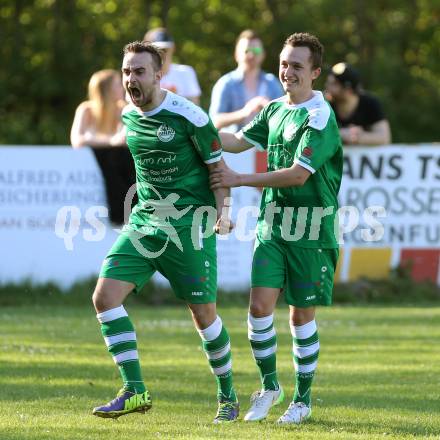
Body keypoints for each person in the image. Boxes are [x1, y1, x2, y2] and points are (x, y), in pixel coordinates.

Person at [91, 41, 239, 423]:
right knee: (105, 297)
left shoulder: (189, 115)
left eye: (139, 71)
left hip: (189, 225)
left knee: (204, 315)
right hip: (145, 222)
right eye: (126, 72)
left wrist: (223, 212)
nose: (130, 79)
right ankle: (135, 391)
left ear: (160, 75)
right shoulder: (127, 116)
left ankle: (228, 396)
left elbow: (217, 168)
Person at [210, 32, 343, 424]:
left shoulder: (320, 117)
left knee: (300, 316)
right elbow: (234, 142)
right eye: (284, 64)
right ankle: (270, 387)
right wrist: (195, 129)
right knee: (258, 307)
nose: (287, 72)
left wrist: (238, 181)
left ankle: (302, 400)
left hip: (311, 229)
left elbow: (299, 176)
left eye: (297, 65)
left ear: (315, 72)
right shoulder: (273, 109)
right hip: (273, 227)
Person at [70, 69, 136, 225]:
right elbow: (77, 141)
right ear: (106, 89)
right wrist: (110, 142)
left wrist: (93, 140)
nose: (123, 87)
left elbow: (124, 139)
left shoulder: (124, 110)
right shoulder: (86, 110)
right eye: (117, 85)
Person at [209, 29, 284, 132]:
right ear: (236, 54)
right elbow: (213, 122)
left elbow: (283, 119)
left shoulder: (272, 83)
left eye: (256, 51)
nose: (251, 55)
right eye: (246, 51)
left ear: (263, 54)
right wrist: (244, 113)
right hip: (232, 146)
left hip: (265, 146)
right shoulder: (225, 83)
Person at [325, 62, 391, 145]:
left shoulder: (370, 103)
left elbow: (384, 138)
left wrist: (358, 137)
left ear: (348, 90)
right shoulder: (324, 105)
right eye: (328, 82)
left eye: (333, 84)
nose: (327, 86)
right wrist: (340, 134)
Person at [143, 27, 201, 104]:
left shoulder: (186, 72)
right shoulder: (140, 75)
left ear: (173, 48)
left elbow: (194, 107)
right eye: (155, 50)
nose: (161, 53)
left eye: (164, 49)